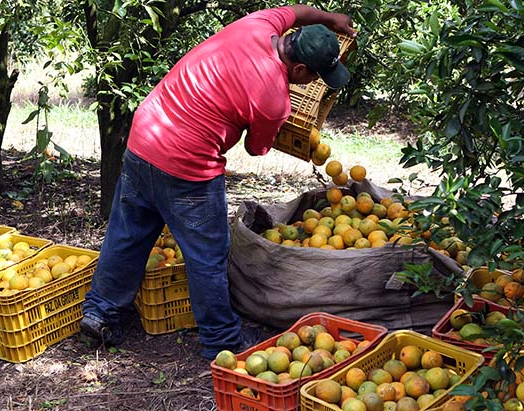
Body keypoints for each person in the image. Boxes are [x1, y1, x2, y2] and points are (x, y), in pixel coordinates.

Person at [81, 4, 356, 360]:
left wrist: (331, 19)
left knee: (128, 234)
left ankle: (100, 313)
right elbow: (256, 148)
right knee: (208, 255)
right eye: (314, 77)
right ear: (300, 69)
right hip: (187, 166)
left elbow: (295, 10)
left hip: (145, 134)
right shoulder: (274, 97)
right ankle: (221, 341)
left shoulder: (259, 24)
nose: (313, 83)